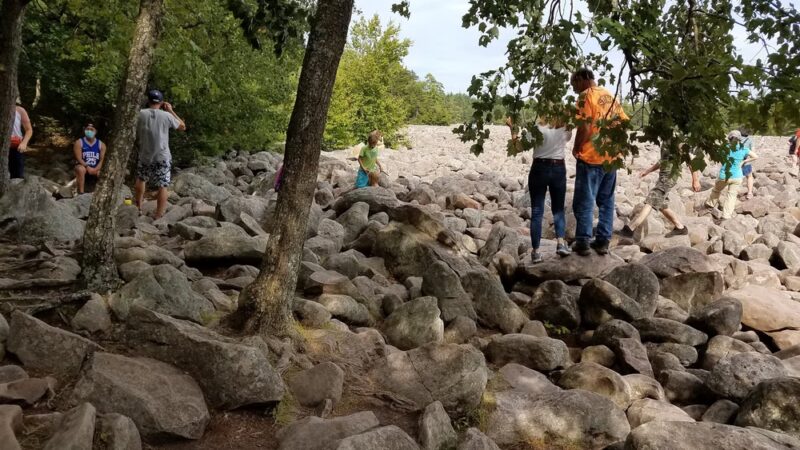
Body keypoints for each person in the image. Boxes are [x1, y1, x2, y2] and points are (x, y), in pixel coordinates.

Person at [570, 68, 629, 256]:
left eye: (574, 85)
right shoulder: (609, 95)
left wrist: (577, 147)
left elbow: (585, 126)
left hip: (592, 156)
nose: (574, 90)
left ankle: (583, 241)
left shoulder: (586, 96)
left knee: (585, 200)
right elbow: (623, 124)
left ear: (581, 79)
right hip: (610, 157)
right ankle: (603, 240)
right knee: (606, 201)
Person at [508, 114, 572, 262]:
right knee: (558, 209)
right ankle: (561, 244)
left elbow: (518, 147)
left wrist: (512, 129)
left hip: (539, 168)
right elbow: (568, 138)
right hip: (558, 168)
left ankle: (536, 252)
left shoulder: (535, 129)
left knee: (537, 211)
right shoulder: (565, 128)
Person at [621, 147, 701, 238]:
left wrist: (695, 180)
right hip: (663, 177)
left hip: (669, 178)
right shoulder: (665, 139)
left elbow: (690, 161)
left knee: (652, 198)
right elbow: (662, 160)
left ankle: (631, 228)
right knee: (662, 204)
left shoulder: (677, 140)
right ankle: (680, 227)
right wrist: (648, 171)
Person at [135, 89, 186, 219]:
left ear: (148, 100)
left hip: (144, 154)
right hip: (162, 156)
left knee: (141, 179)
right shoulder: (166, 115)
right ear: (162, 102)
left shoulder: (139, 114)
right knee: (163, 185)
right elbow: (182, 127)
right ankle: (158, 215)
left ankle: (138, 207)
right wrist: (170, 110)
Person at [705, 130, 759, 220]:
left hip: (724, 175)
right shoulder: (743, 149)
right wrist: (744, 161)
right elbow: (756, 156)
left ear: (729, 138)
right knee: (732, 196)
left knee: (716, 190)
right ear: (739, 139)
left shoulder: (725, 147)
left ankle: (710, 205)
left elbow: (713, 157)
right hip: (737, 176)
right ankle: (726, 216)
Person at [73, 123, 106, 194]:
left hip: (95, 168)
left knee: (103, 174)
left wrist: (95, 169)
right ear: (84, 130)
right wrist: (87, 167)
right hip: (83, 166)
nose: (89, 131)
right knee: (80, 169)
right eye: (87, 129)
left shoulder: (101, 144)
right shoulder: (79, 142)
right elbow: (79, 158)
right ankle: (81, 193)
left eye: (91, 129)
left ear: (95, 131)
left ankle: (100, 194)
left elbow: (101, 160)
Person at [8, 98, 33, 179]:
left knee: (17, 176)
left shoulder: (20, 110)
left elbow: (29, 130)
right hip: (2, 146)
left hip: (16, 146)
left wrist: (24, 143)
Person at [739, 128, 755, 199]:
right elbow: (753, 152)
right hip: (745, 160)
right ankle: (750, 193)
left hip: (736, 160)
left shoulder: (736, 139)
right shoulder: (750, 140)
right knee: (749, 176)